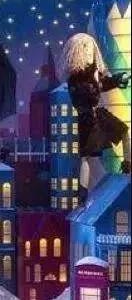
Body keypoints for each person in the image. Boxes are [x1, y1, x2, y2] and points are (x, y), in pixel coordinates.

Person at [61, 33, 129, 200]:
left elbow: (102, 85)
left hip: (98, 114)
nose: (90, 51)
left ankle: (127, 166)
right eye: (86, 48)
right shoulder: (76, 77)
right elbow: (85, 94)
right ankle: (83, 192)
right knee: (87, 156)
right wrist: (98, 82)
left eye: (91, 48)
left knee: (123, 131)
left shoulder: (92, 72)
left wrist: (116, 79)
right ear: (78, 52)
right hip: (88, 118)